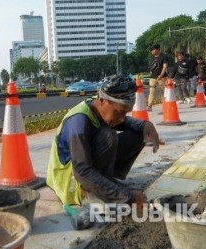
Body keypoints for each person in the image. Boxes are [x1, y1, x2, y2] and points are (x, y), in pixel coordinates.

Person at [46, 74, 161, 207]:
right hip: (71, 182)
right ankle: (88, 191)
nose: (123, 118)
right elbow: (82, 171)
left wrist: (145, 125)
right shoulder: (78, 123)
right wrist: (128, 197)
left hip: (84, 170)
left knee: (139, 133)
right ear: (102, 101)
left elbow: (126, 121)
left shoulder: (97, 106)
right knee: (108, 136)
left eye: (126, 113)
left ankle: (106, 183)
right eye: (119, 112)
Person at [147, 44, 169, 111]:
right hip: (153, 77)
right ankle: (149, 106)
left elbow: (165, 67)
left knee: (163, 92)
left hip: (161, 77)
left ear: (157, 49)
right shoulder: (152, 58)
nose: (151, 51)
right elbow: (151, 69)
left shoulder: (164, 56)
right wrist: (150, 75)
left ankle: (165, 106)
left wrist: (161, 75)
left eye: (152, 50)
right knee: (151, 91)